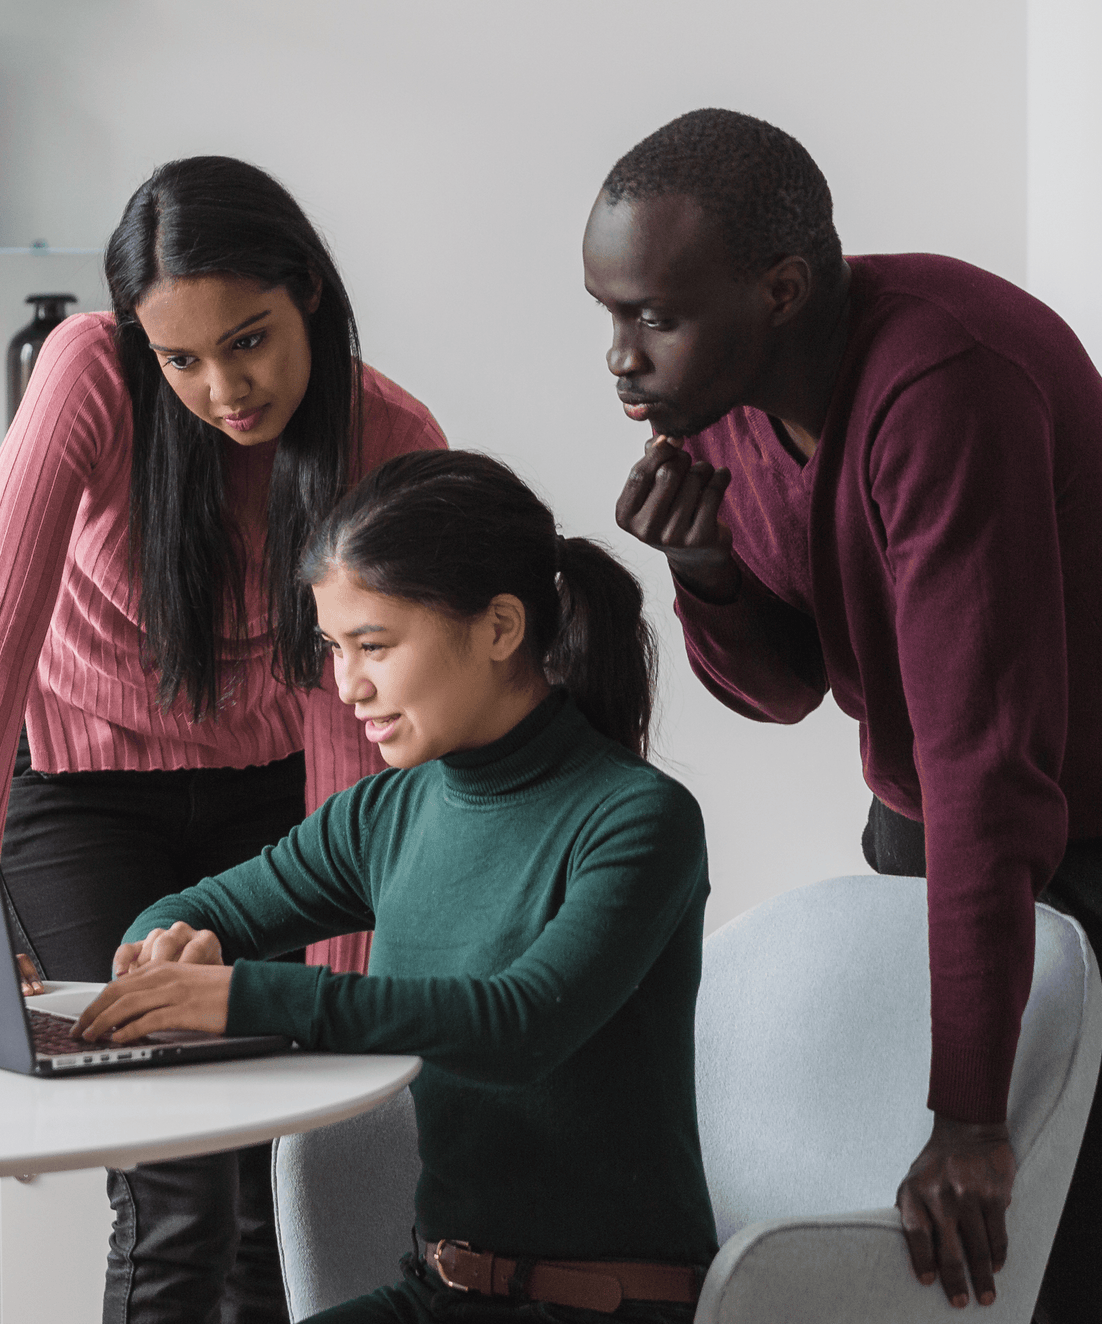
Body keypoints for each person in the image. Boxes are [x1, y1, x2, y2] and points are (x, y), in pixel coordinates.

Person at [582, 108, 1102, 1324]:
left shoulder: (944, 387)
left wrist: (971, 1117)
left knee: (1095, 1253)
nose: (620, 357)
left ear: (780, 289)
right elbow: (791, 689)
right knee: (929, 1245)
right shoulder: (728, 400)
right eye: (611, 315)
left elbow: (991, 771)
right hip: (936, 787)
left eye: (653, 317)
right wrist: (707, 573)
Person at [0, 156, 444, 1324]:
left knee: (276, 1163)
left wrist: (329, 1039)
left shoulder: (388, 437)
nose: (224, 387)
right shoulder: (85, 376)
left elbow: (351, 729)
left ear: (308, 291)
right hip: (81, 793)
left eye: (251, 340)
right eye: (184, 359)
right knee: (174, 1174)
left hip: (279, 804)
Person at [70, 449, 719, 1324]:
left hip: (603, 1306)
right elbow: (209, 906)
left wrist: (244, 996)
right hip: (438, 1292)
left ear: (499, 628)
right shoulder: (388, 811)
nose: (348, 686)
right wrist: (164, 943)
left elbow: (519, 1026)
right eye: (335, 648)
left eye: (374, 646)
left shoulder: (639, 820)